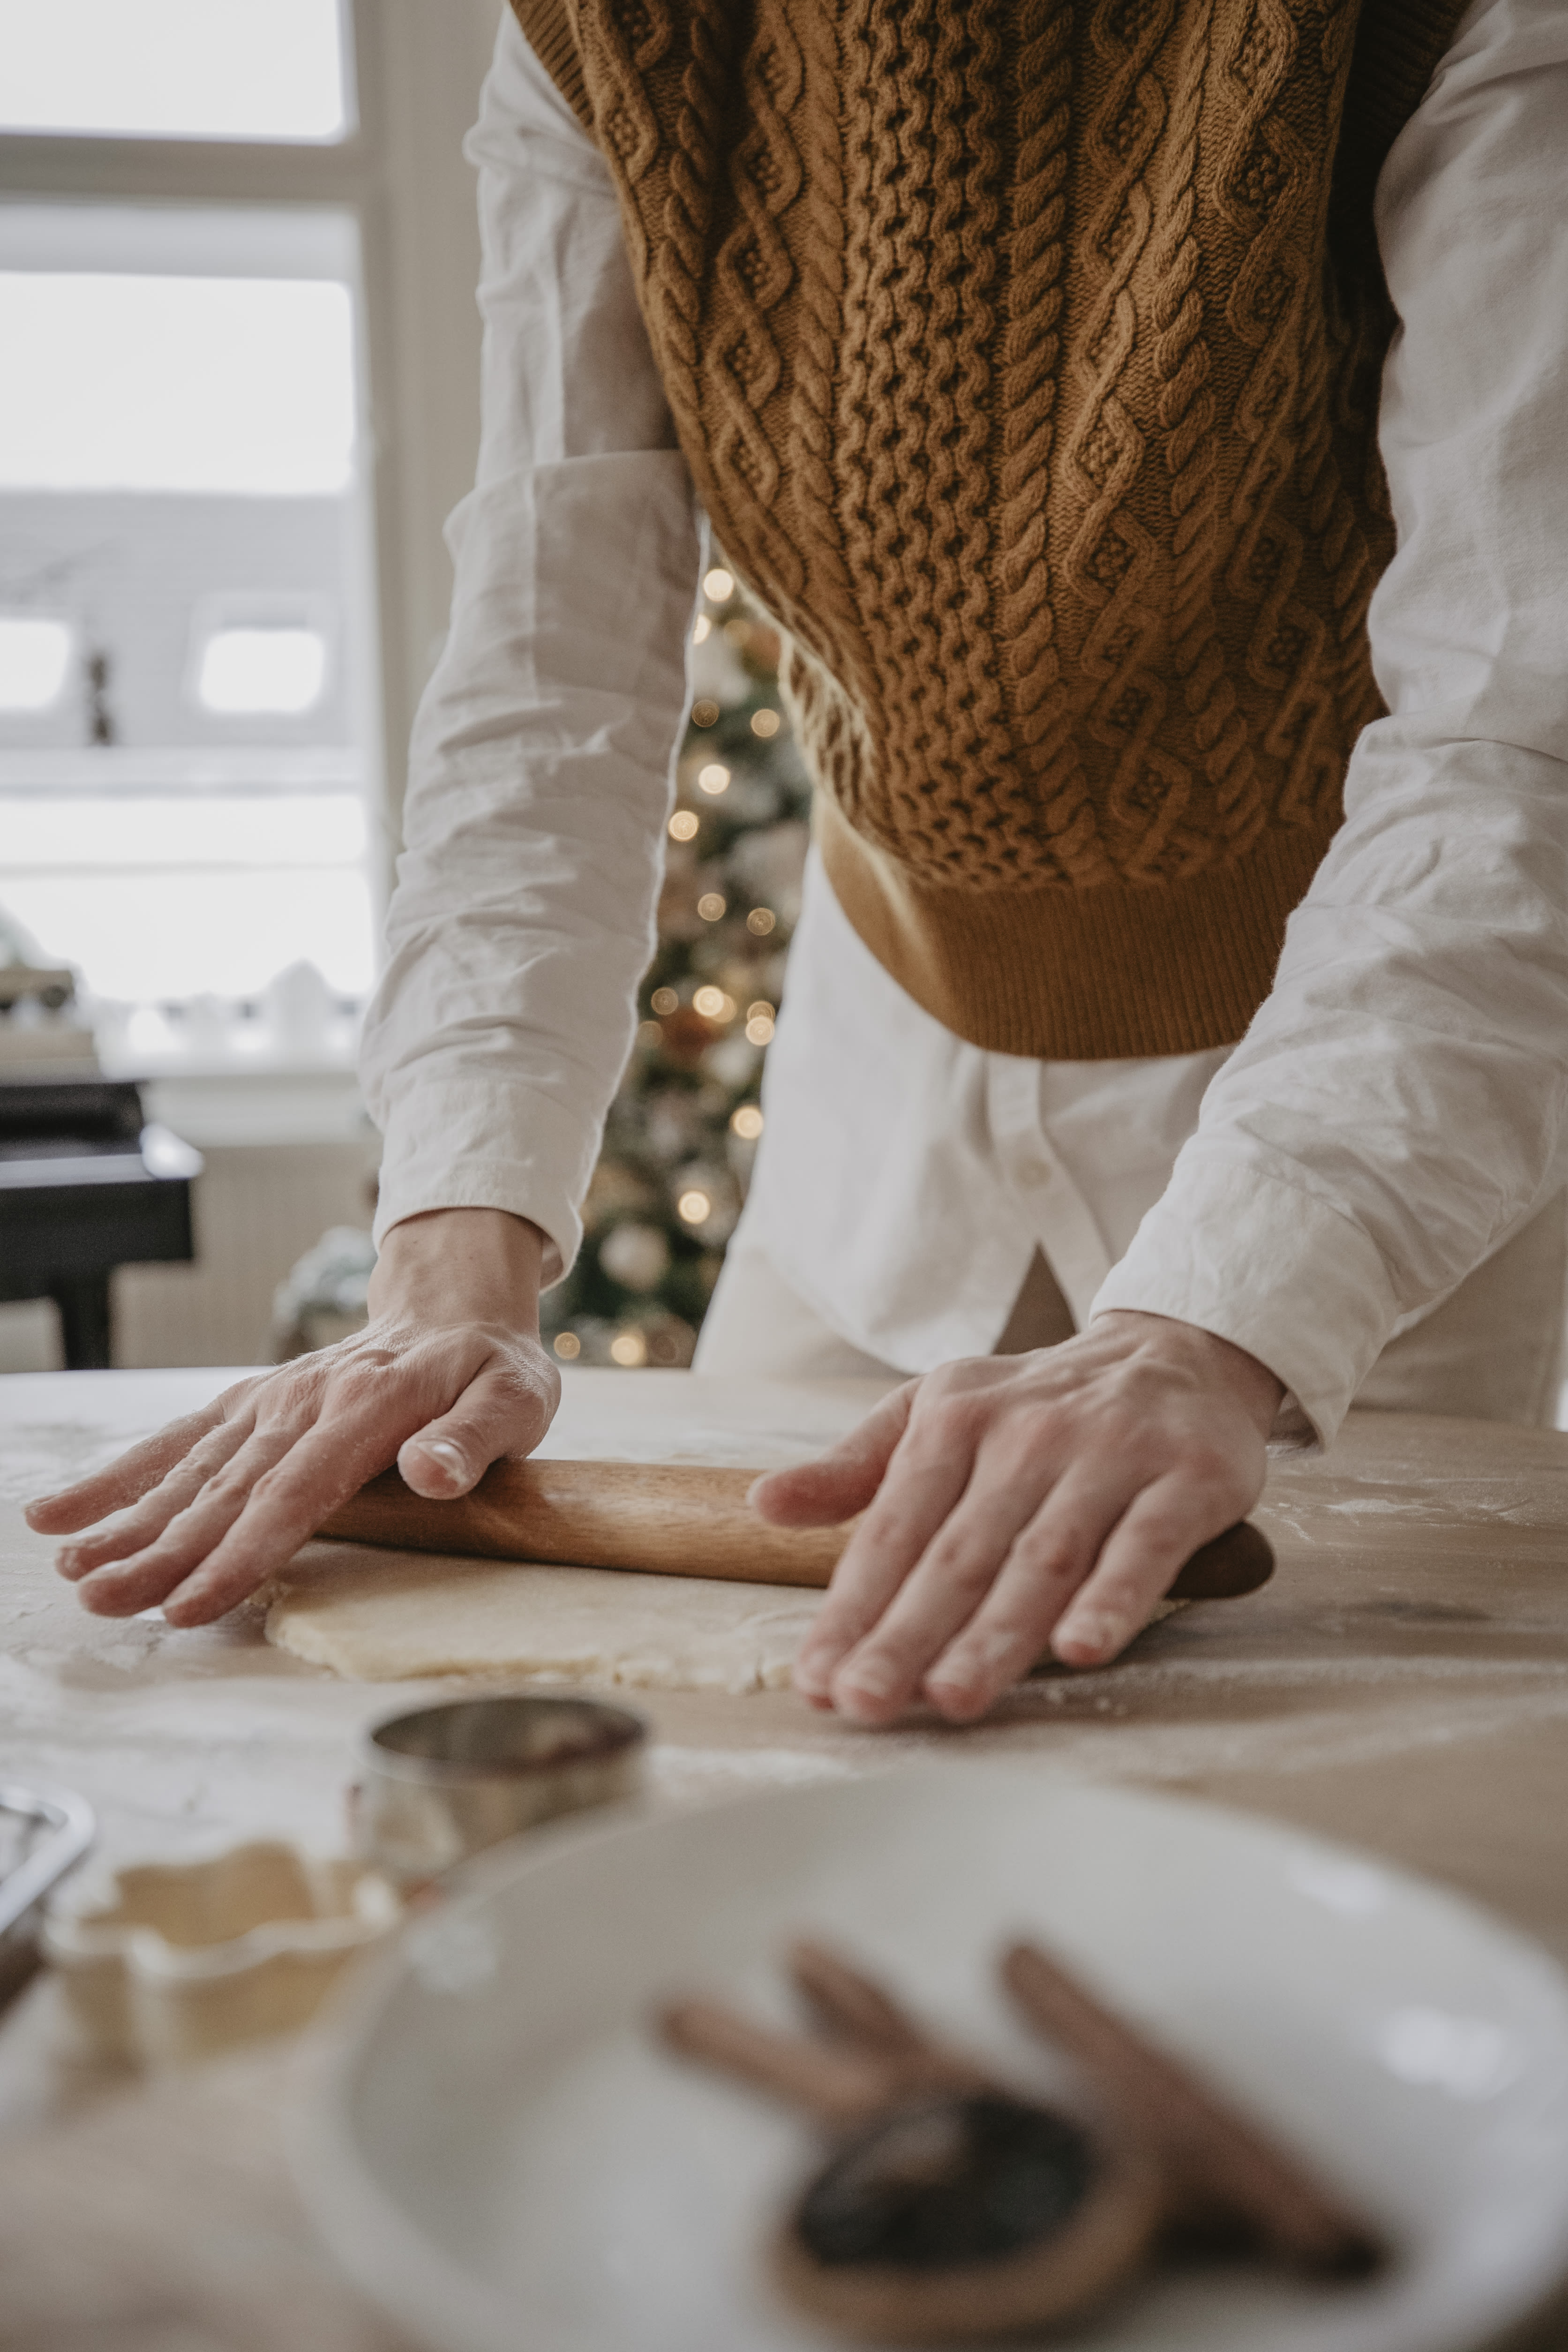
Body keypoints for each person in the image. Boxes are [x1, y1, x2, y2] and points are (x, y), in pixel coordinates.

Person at [30, 0, 1568, 1730]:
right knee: (742, 1755)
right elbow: (552, 672)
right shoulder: (597, 34)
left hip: (1350, 1086)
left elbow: (1522, 725)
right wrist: (444, 1256)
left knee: (1330, 1800)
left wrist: (1221, 1320)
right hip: (874, 1085)